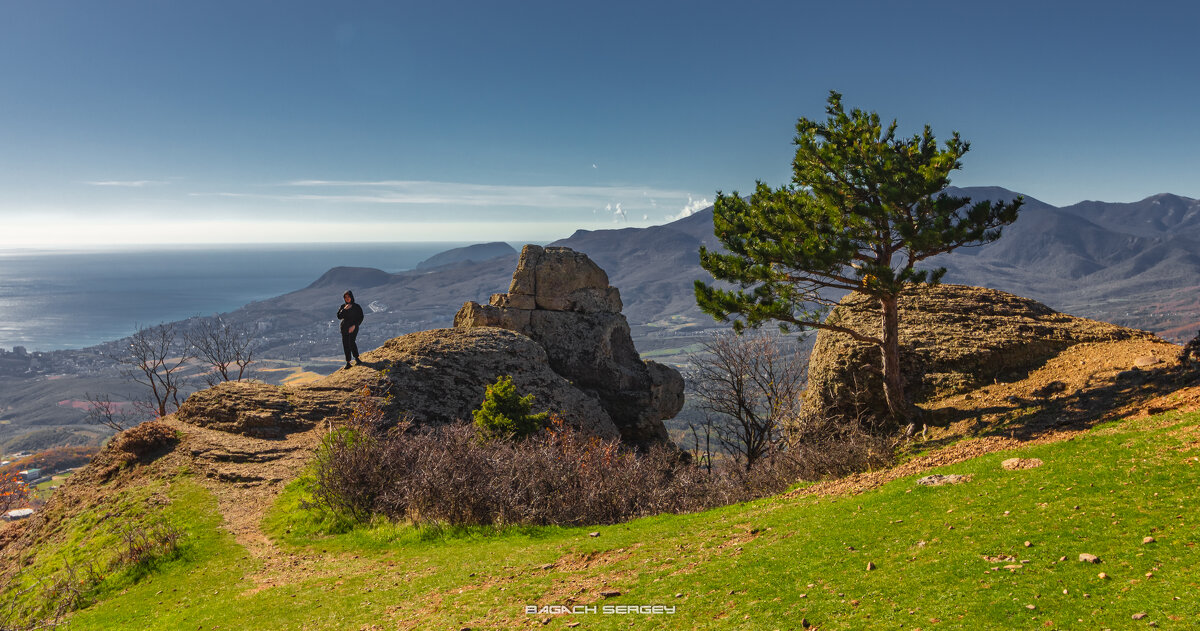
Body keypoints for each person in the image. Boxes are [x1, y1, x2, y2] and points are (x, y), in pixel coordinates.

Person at [337, 290, 364, 369]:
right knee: (345, 344)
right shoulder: (343, 306)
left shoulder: (357, 307)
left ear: (351, 297)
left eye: (348, 297)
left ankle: (357, 358)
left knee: (351, 342)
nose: (347, 299)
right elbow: (339, 316)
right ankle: (348, 362)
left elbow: (361, 317)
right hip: (344, 328)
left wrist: (355, 325)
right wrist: (344, 309)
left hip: (354, 327)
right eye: (345, 297)